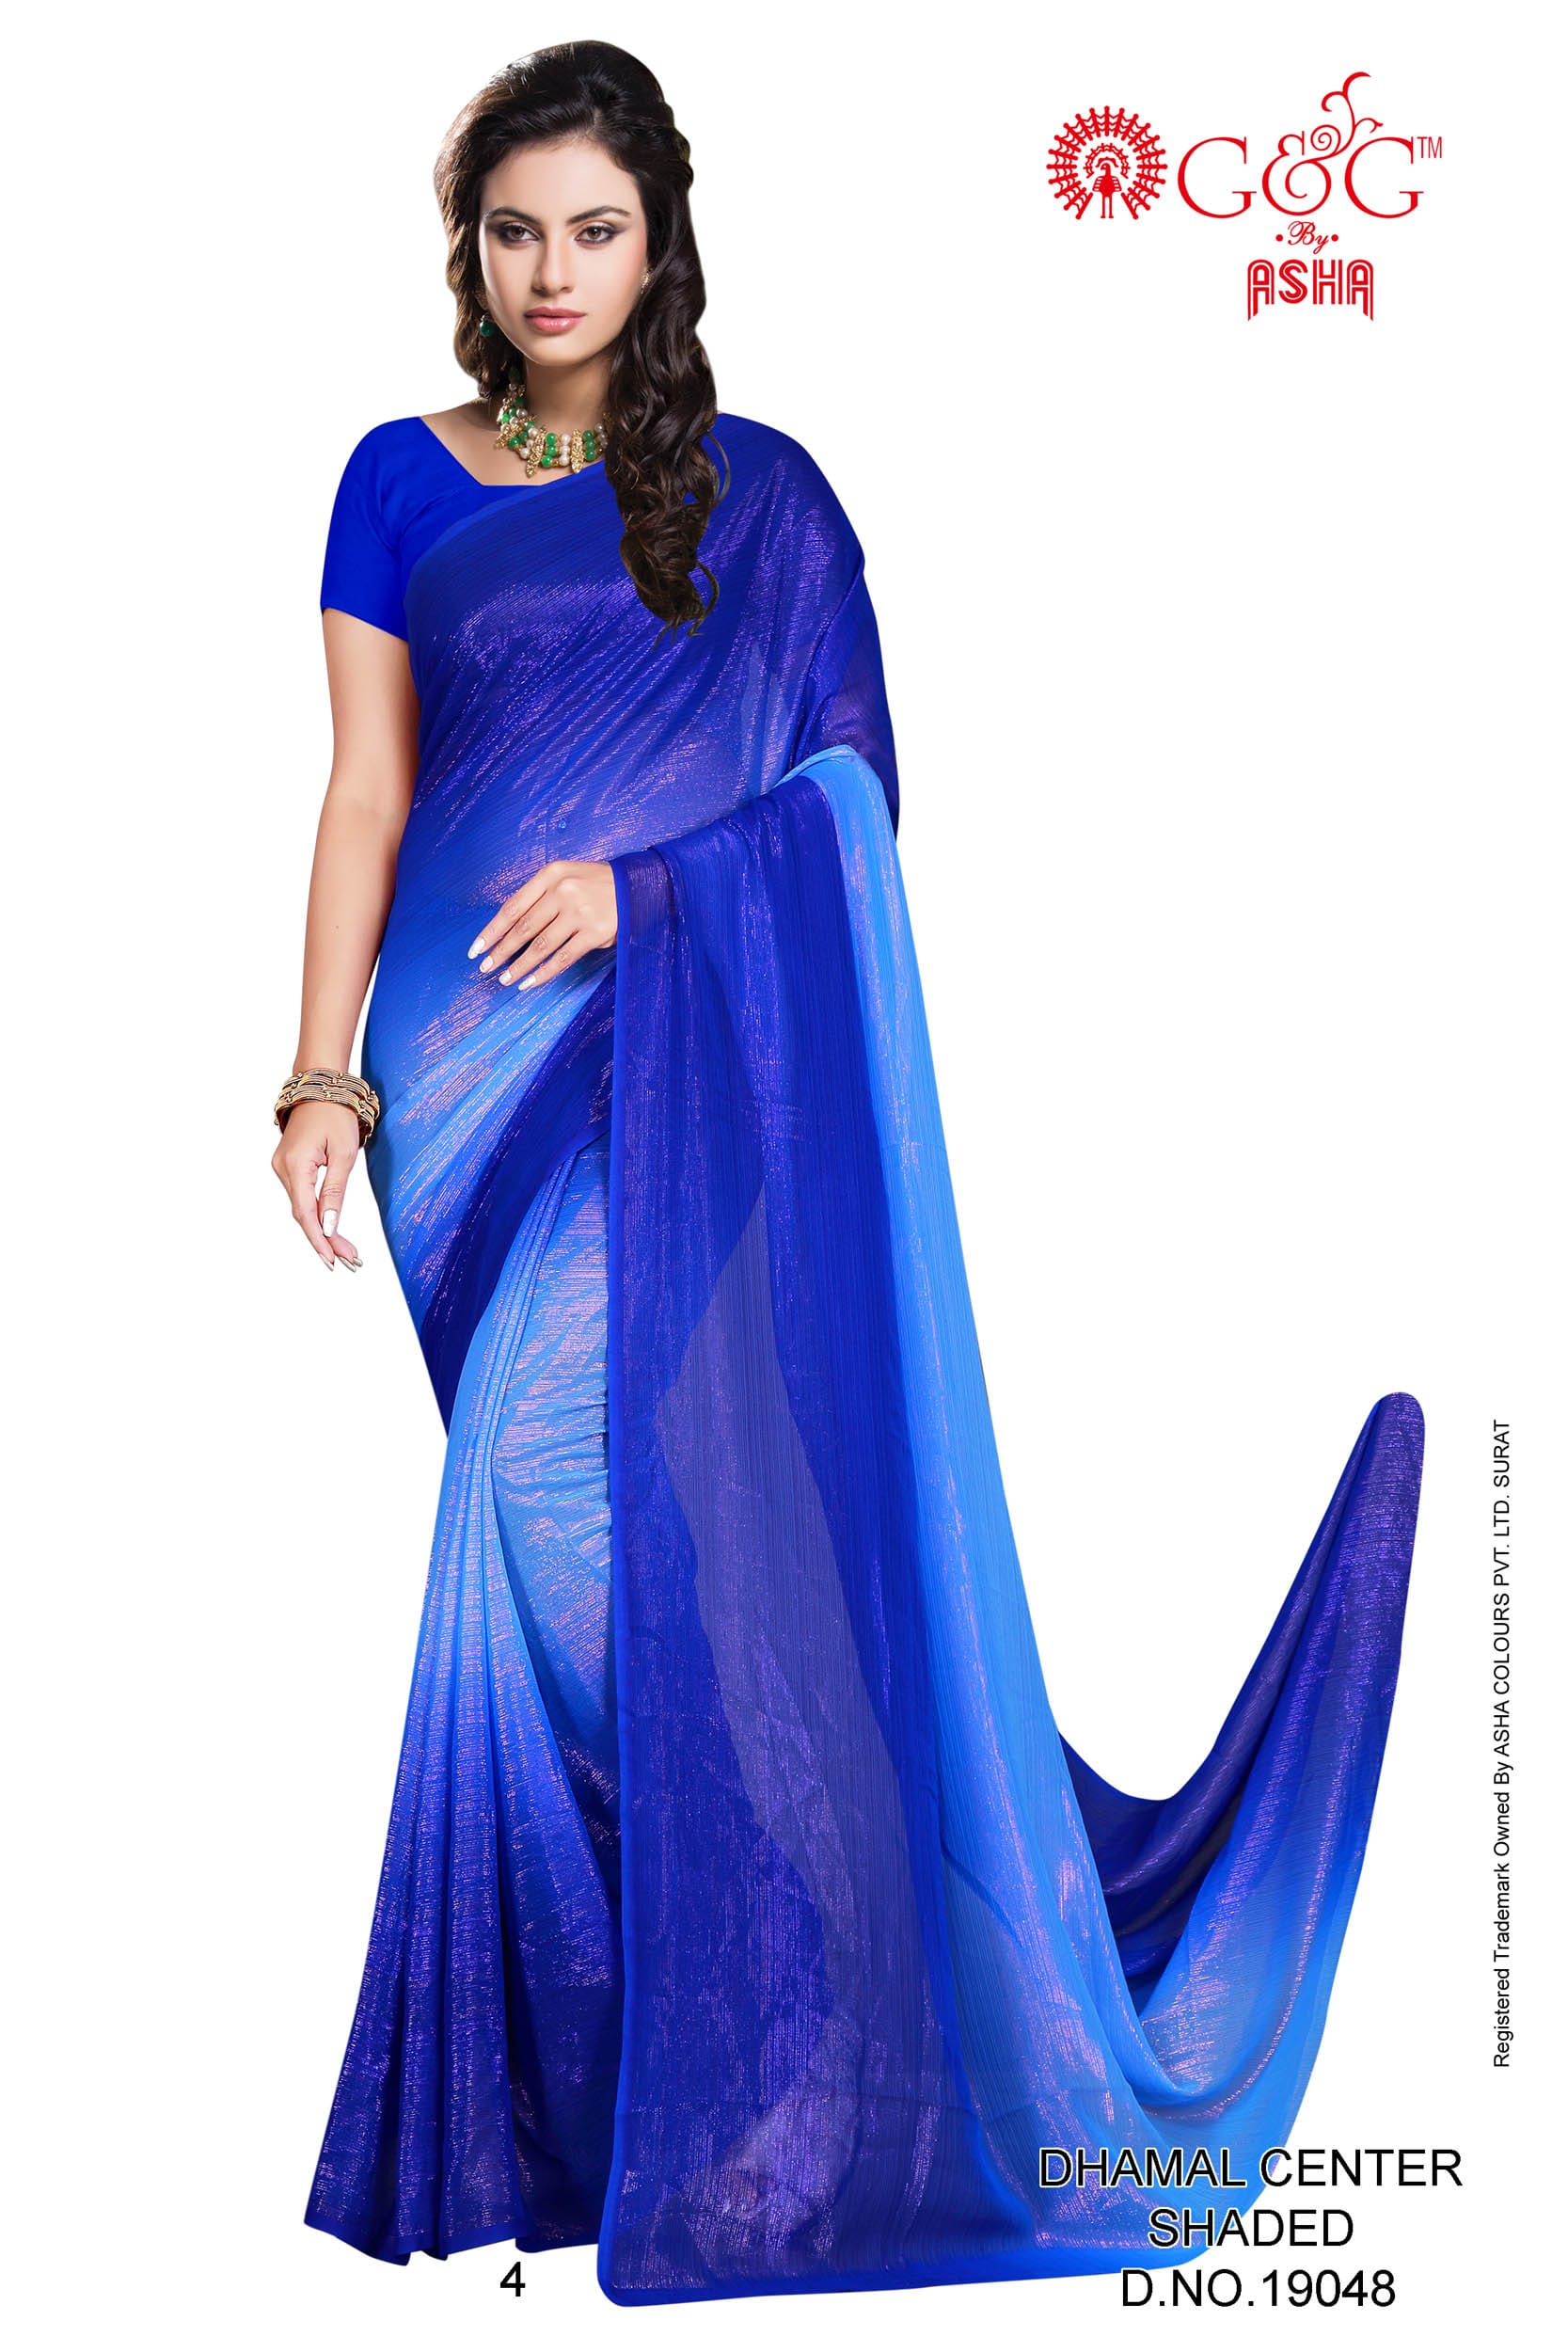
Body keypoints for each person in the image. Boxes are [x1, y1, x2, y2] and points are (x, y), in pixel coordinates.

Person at [278, 40, 1425, 2308]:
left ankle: (794, 2077)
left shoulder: (768, 500)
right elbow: (363, 792)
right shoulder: (392, 479)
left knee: (625, 1547)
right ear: (467, 247)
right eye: (514, 232)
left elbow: (851, 803)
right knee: (586, 1556)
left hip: (685, 1067)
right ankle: (657, 2095)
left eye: (594, 230)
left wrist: (650, 897)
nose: (551, 273)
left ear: (660, 244)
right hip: (462, 1089)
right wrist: (318, 1076)